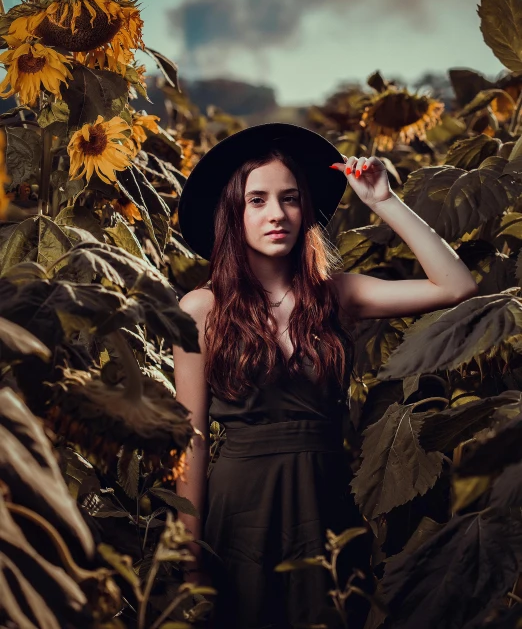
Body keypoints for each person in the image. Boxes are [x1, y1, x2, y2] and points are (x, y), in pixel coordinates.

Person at [172, 122, 478, 629]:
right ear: (233, 213)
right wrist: (188, 560)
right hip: (239, 510)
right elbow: (192, 441)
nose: (277, 214)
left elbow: (456, 286)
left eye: (290, 199)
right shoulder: (201, 308)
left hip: (325, 502)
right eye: (258, 200)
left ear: (305, 209)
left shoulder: (336, 294)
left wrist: (383, 200)